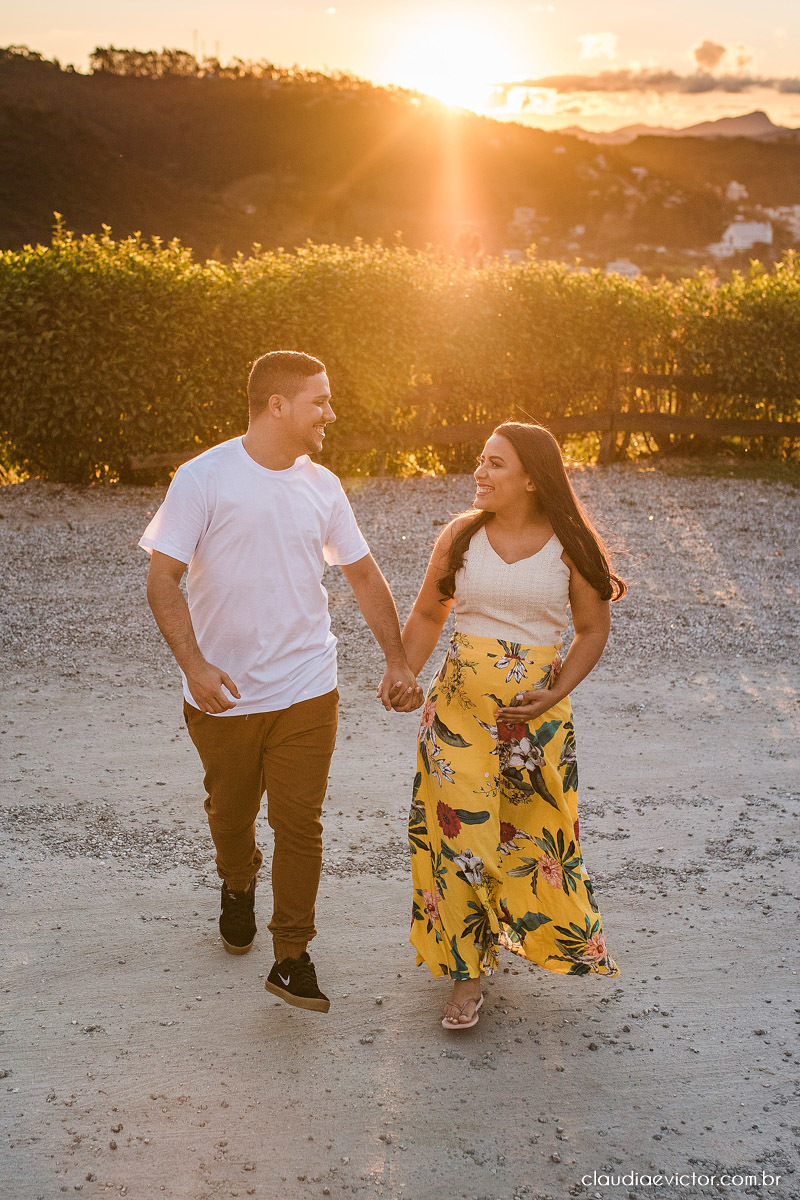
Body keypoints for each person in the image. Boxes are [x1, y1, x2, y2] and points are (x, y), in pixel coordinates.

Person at [140, 350, 421, 1013]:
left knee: (301, 825)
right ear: (277, 406)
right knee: (231, 815)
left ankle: (292, 956)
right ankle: (238, 879)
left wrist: (398, 659)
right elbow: (161, 580)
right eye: (320, 400)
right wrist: (195, 666)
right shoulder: (203, 478)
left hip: (307, 686)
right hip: (224, 695)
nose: (331, 411)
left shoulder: (322, 485)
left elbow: (362, 575)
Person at [394, 421, 623, 1029]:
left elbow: (592, 630)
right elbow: (425, 612)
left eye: (495, 464)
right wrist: (403, 671)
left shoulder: (568, 546)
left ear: (530, 478)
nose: (480, 472)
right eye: (480, 461)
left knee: (526, 842)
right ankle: (466, 977)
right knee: (463, 842)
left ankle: (511, 935)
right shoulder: (460, 537)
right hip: (456, 719)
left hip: (533, 728)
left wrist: (554, 693)